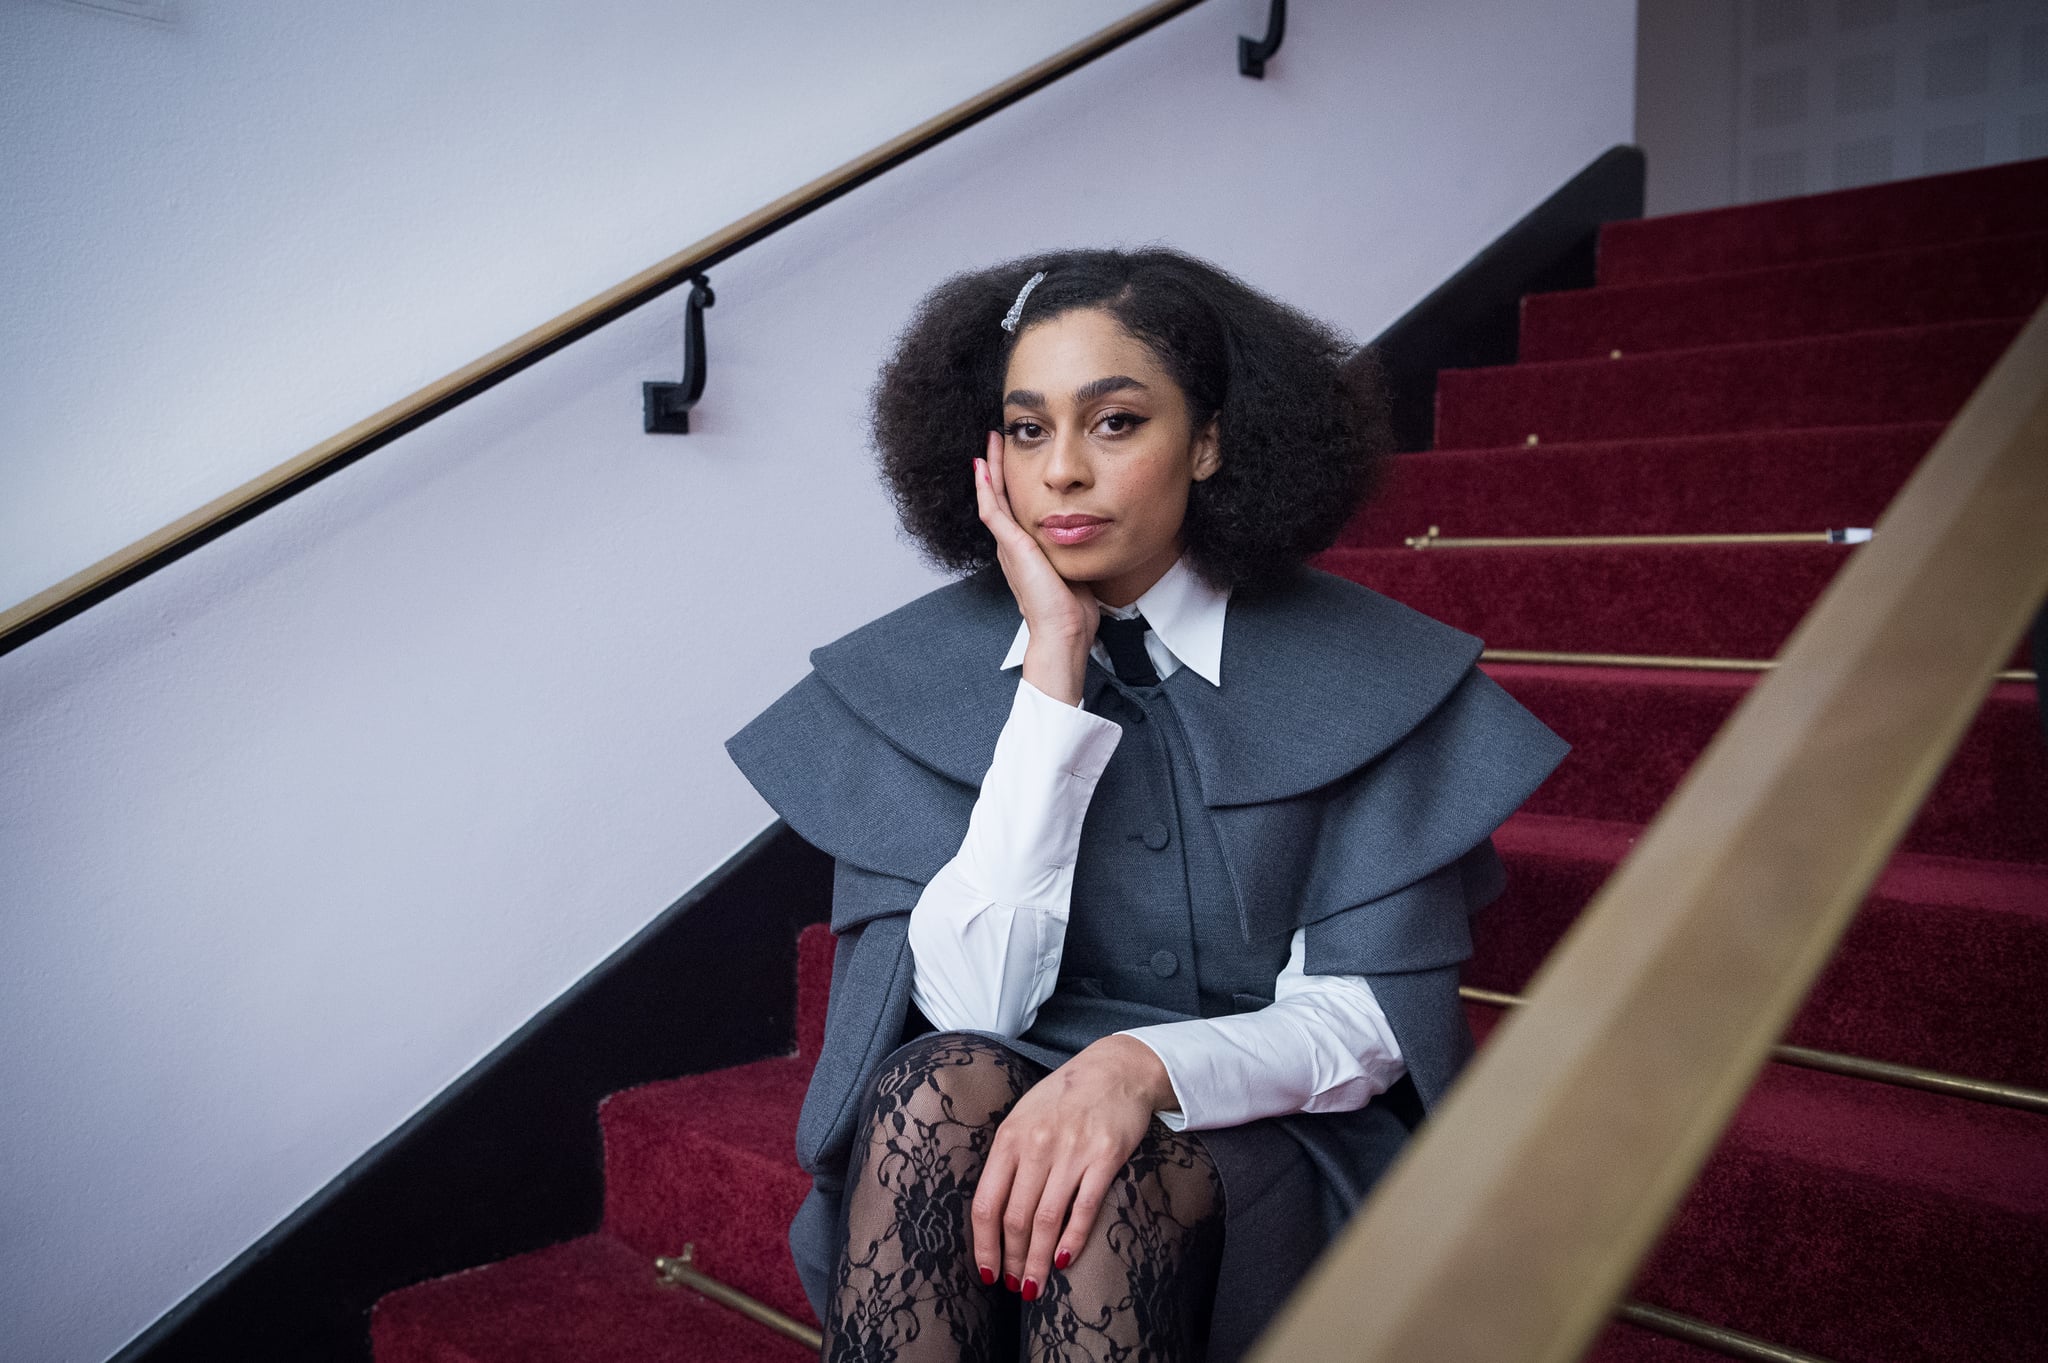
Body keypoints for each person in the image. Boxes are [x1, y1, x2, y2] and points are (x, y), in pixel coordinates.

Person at [725, 248, 1569, 1362]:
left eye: (1113, 422)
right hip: (1005, 1088)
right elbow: (974, 1002)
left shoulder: (1367, 676)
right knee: (932, 1089)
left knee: (1121, 1193)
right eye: (1027, 430)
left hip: (1269, 1133)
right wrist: (1051, 670)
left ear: (1209, 440)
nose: (1061, 472)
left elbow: (1367, 1026)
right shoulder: (912, 682)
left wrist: (1139, 1070)